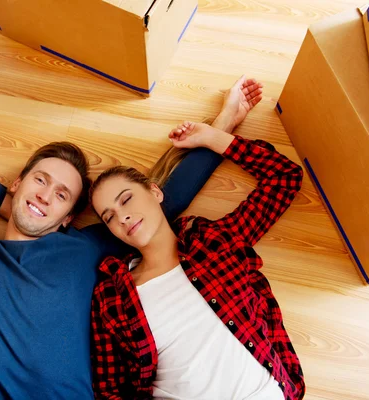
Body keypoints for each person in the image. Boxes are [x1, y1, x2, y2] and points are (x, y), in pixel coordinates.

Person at [0, 79, 256, 398]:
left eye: (61, 196)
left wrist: (222, 125)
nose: (46, 196)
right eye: (40, 181)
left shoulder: (81, 248)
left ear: (68, 218)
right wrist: (19, 207)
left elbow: (165, 203)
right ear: (17, 181)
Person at [89, 76, 305, 399]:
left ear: (155, 192)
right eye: (109, 217)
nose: (122, 217)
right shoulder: (113, 298)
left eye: (126, 200)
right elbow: (110, 390)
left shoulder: (214, 243)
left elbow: (284, 179)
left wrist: (213, 136)